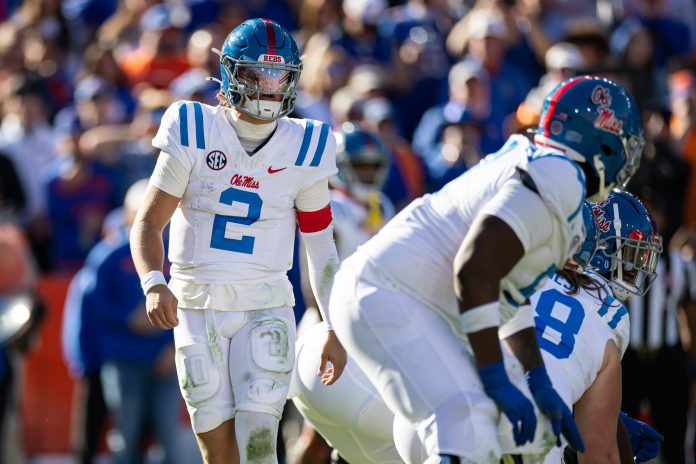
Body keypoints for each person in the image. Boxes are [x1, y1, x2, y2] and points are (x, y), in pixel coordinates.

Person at [326, 75, 644, 463]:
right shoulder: (559, 175)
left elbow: (510, 291)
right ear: (603, 141)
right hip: (388, 293)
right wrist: (495, 374)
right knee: (469, 417)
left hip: (404, 299)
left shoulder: (553, 179)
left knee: (522, 433)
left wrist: (535, 376)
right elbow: (474, 270)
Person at [291, 193, 664, 463]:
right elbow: (598, 451)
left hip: (353, 374)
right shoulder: (611, 316)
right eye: (627, 262)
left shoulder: (515, 265)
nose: (633, 276)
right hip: (504, 433)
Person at [129, 18, 346, 464]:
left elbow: (321, 245)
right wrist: (153, 281)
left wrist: (332, 324)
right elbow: (149, 223)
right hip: (196, 305)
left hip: (265, 303)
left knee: (260, 442)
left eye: (278, 76)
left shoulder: (306, 145)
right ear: (230, 73)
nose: (268, 87)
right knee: (218, 452)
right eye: (256, 75)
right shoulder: (192, 126)